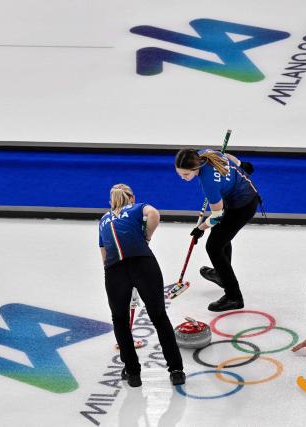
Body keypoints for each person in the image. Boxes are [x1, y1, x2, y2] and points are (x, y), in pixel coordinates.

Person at [99, 183, 185, 387]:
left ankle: (132, 372)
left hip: (115, 270)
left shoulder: (103, 220)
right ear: (132, 198)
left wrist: (114, 276)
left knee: (119, 320)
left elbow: (103, 250)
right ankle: (176, 370)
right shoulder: (137, 208)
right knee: (158, 316)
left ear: (111, 202)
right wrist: (147, 235)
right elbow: (154, 214)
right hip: (143, 264)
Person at [174, 148, 258, 312]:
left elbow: (217, 215)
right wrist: (241, 164)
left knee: (213, 247)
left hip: (243, 206)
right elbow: (225, 155)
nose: (182, 178)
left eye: (185, 175)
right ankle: (222, 274)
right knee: (221, 239)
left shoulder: (208, 182)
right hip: (236, 195)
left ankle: (234, 296)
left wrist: (200, 228)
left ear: (195, 168)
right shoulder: (204, 153)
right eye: (179, 174)